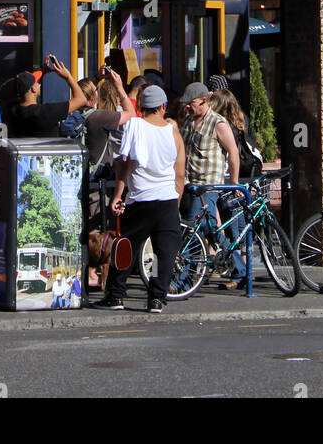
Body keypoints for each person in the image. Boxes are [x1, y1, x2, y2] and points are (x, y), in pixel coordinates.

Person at [98, 84, 185, 313]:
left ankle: (116, 295)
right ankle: (156, 298)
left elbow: (124, 163)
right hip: (166, 200)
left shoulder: (135, 126)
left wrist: (118, 194)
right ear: (163, 106)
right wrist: (174, 205)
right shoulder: (173, 132)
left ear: (143, 107)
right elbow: (180, 174)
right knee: (161, 253)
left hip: (141, 200)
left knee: (126, 247)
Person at [180, 81, 244, 288]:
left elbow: (233, 153)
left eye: (191, 103)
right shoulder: (188, 121)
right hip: (189, 185)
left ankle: (184, 279)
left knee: (191, 228)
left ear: (204, 101)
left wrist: (233, 183)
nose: (188, 107)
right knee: (210, 229)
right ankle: (241, 269)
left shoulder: (218, 123)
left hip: (208, 186)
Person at [7, 55, 87, 138]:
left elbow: (28, 88)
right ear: (33, 89)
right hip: (45, 150)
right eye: (37, 82)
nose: (39, 84)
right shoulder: (45, 113)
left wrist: (43, 72)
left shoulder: (12, 111)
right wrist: (68, 77)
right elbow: (81, 99)